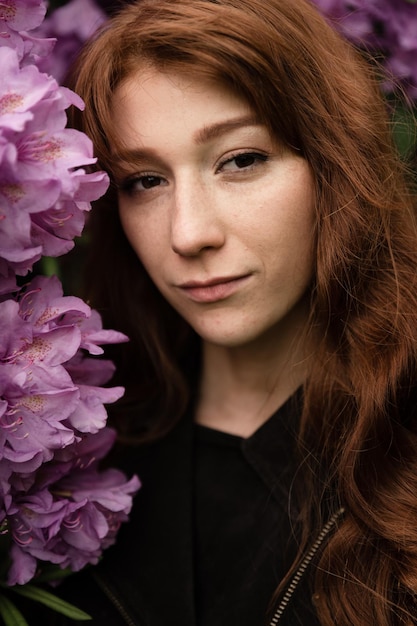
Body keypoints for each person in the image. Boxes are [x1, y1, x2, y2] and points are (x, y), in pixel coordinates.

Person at [51, 0, 417, 624]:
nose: (189, 234)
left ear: (335, 166)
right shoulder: (65, 466)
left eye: (241, 160)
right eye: (144, 180)